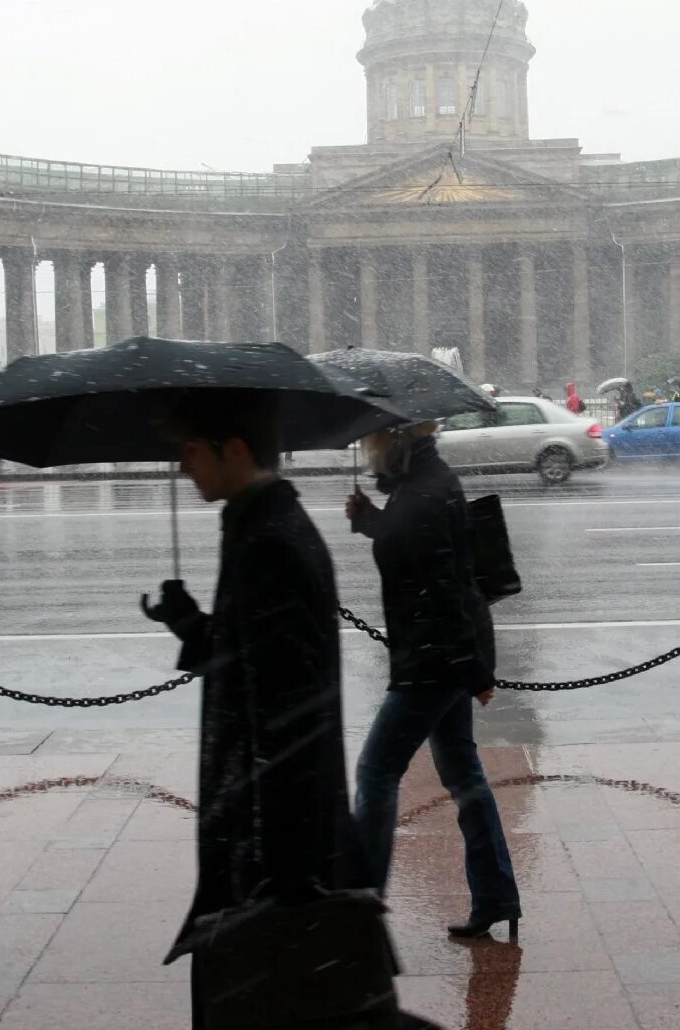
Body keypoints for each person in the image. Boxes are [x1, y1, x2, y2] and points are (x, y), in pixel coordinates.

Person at [143, 393, 373, 1023]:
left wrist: (287, 873)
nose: (183, 468)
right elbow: (257, 660)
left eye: (190, 452)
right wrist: (192, 625)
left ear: (234, 449)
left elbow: (290, 711)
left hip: (268, 843)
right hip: (265, 833)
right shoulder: (259, 526)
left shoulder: (269, 541)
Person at [345, 423, 521, 941]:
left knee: (376, 770)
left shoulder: (422, 495)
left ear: (394, 440)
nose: (366, 447)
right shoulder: (421, 487)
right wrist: (371, 521)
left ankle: (361, 905)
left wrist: (474, 673)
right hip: (438, 652)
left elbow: (445, 592)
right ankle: (495, 896)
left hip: (434, 658)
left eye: (372, 439)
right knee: (464, 774)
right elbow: (416, 552)